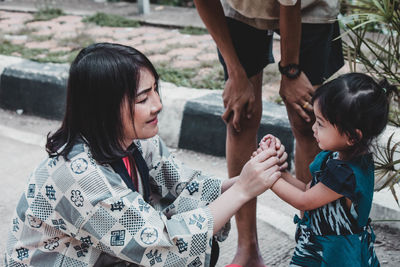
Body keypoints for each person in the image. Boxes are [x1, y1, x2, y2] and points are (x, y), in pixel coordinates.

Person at [4, 43, 285, 267]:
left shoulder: (137, 140)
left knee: (193, 220)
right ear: (105, 108)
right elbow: (162, 246)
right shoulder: (78, 174)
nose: (158, 105)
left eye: (155, 91)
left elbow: (189, 187)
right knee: (182, 242)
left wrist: (256, 173)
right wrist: (244, 189)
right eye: (143, 99)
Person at [193, 0, 343, 265]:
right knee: (241, 117)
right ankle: (247, 249)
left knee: (308, 120)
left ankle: (313, 246)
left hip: (309, 7)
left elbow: (290, 5)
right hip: (241, 11)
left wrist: (291, 72)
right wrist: (235, 73)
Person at [256, 73, 394, 266]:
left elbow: (304, 201)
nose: (313, 128)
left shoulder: (345, 174)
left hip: (334, 256)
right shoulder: (335, 157)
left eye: (320, 124)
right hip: (321, 247)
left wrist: (268, 178)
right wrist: (279, 171)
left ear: (352, 137)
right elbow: (308, 190)